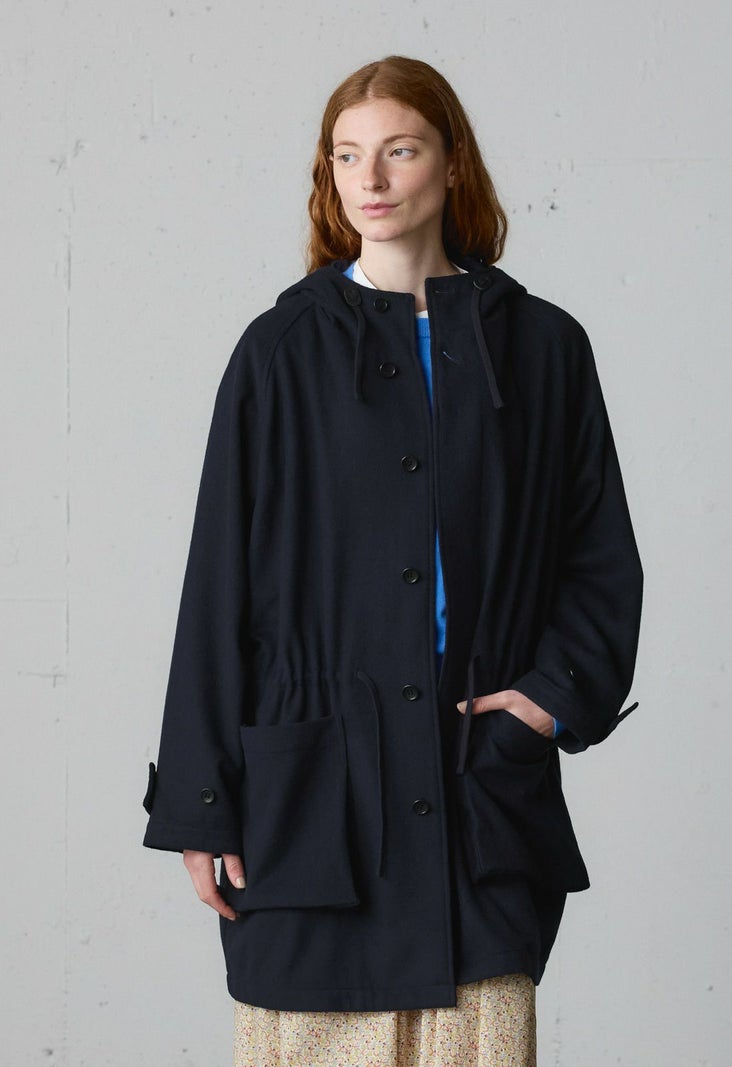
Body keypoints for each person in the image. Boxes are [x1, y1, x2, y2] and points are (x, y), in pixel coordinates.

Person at [142, 54, 643, 1067]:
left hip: (477, 799)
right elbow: (217, 584)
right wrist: (203, 799)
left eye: (398, 150)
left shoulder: (543, 349)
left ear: (452, 164)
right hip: (312, 806)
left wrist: (546, 699)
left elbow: (598, 554)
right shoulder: (279, 353)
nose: (368, 178)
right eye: (346, 155)